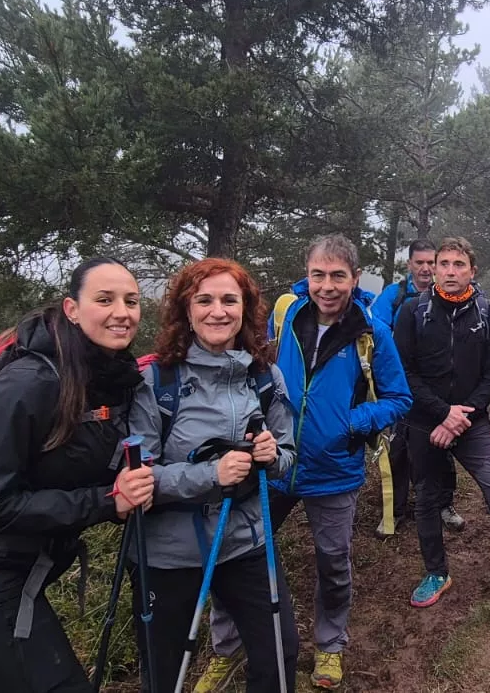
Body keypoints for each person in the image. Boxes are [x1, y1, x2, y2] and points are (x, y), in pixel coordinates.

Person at [0, 257, 158, 693]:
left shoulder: (104, 378)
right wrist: (106, 500)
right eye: (105, 299)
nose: (122, 311)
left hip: (5, 574)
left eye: (131, 301)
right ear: (72, 309)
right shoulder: (29, 384)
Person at [198, 235, 412, 691]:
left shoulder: (373, 332)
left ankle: (330, 646)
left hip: (334, 470)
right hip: (274, 464)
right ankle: (228, 648)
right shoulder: (287, 313)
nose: (327, 286)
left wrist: (351, 421)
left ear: (355, 278)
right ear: (307, 276)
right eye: (318, 275)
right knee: (233, 553)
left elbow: (399, 397)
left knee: (333, 562)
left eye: (338, 275)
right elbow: (264, 367)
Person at [133, 258, 301, 693]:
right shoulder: (156, 381)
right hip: (168, 552)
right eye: (203, 300)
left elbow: (287, 458)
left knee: (280, 655)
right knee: (164, 673)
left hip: (245, 540)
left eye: (230, 300)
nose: (218, 311)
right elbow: (137, 477)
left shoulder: (265, 376)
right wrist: (212, 473)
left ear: (245, 309)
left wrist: (270, 455)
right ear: (185, 311)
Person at [395, 236, 490, 636]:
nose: (450, 271)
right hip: (425, 420)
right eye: (444, 264)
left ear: (472, 271)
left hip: (474, 423)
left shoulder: (488, 313)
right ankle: (436, 573)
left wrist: (460, 417)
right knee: (427, 498)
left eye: (459, 265)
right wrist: (442, 413)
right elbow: (404, 373)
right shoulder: (413, 311)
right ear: (434, 269)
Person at [370, 238, 466, 536]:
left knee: (444, 445)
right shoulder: (394, 295)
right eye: (419, 262)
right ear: (409, 264)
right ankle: (396, 510)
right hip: (401, 386)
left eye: (430, 262)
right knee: (398, 447)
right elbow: (376, 329)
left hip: (440, 387)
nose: (425, 268)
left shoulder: (452, 295)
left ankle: (444, 504)